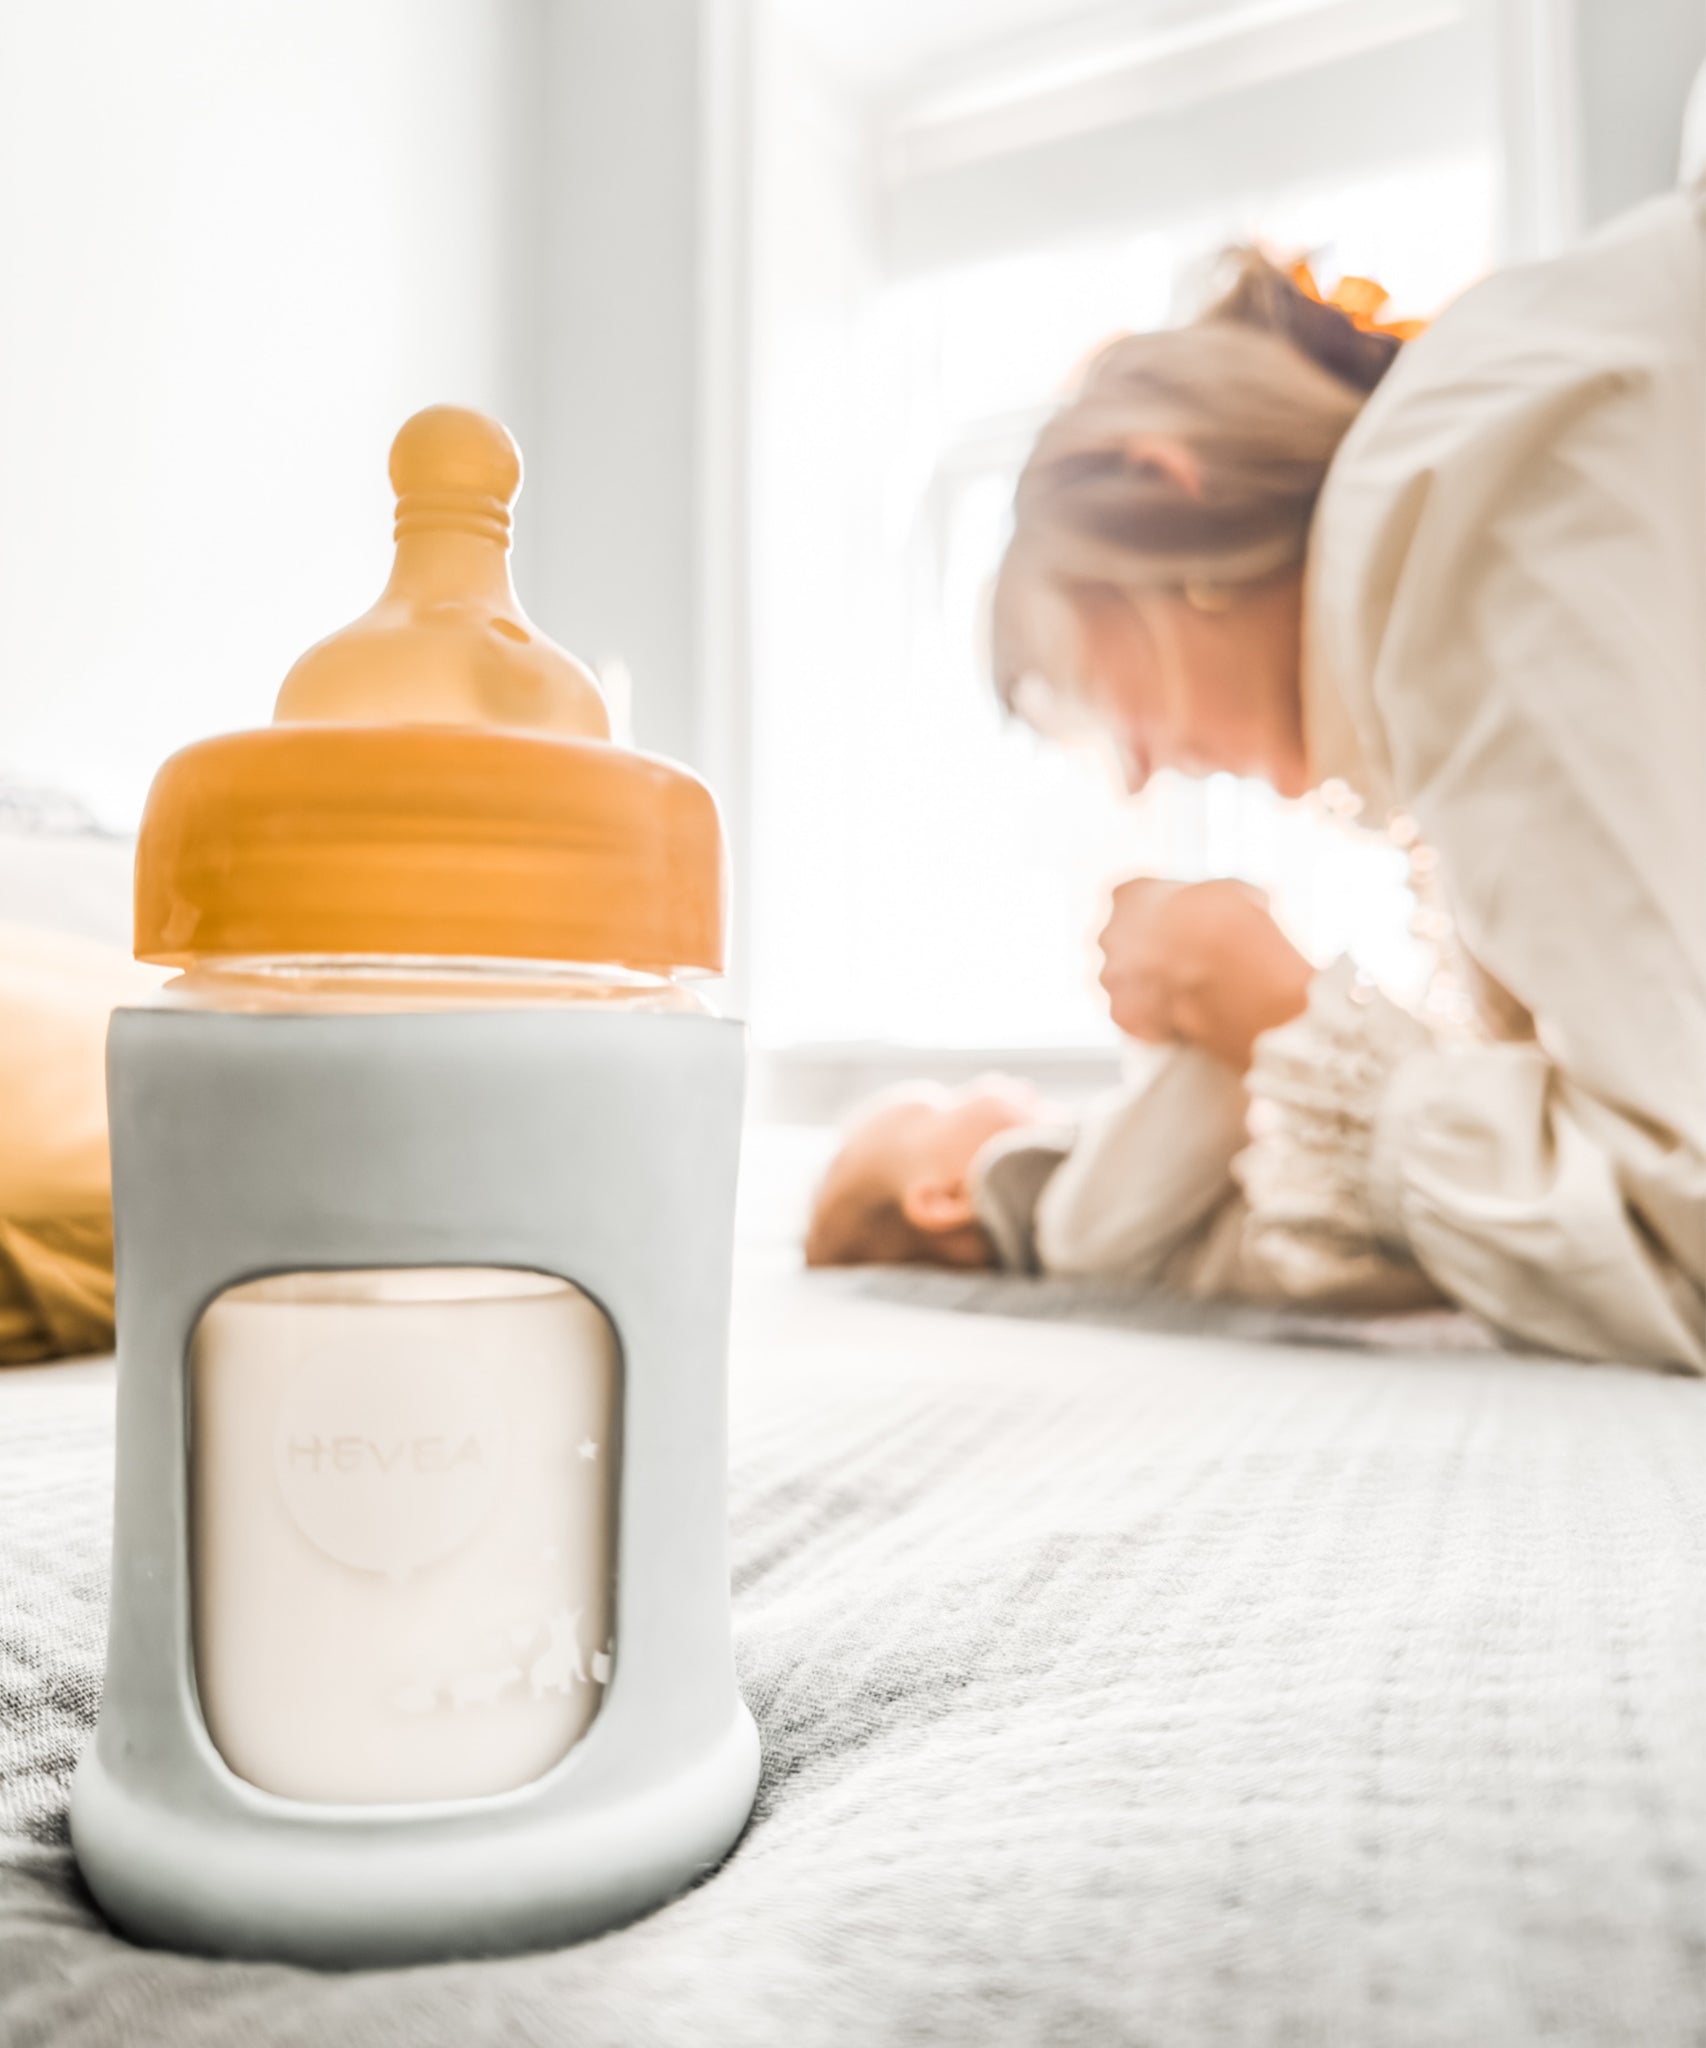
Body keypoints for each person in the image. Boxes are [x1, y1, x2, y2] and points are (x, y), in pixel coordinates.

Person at [990, 189, 1705, 1370]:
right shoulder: (1467, 514)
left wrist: (1286, 1020)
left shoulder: (1453, 509)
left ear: (1163, 490)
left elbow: (1678, 1228)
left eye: (1093, 694)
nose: (1136, 773)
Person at [806, 879, 1440, 1312]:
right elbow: (1212, 1081)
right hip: (1398, 1232)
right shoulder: (1074, 1233)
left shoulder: (1085, 1200)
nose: (986, 1082)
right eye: (945, 1100)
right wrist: (1190, 974)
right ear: (942, 1197)